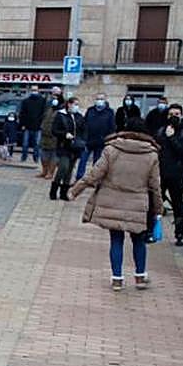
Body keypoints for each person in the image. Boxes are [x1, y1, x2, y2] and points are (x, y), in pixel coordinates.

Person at [68, 118, 164, 291]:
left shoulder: (112, 149)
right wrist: (158, 209)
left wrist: (76, 190)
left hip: (112, 200)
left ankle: (117, 279)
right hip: (138, 203)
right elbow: (155, 186)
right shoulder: (151, 155)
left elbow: (95, 174)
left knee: (116, 240)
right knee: (139, 241)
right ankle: (140, 277)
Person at [155, 104, 183, 246]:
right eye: (171, 114)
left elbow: (182, 150)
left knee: (177, 205)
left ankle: (179, 234)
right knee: (155, 202)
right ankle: (150, 231)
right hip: (160, 172)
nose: (174, 117)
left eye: (177, 114)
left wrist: (171, 138)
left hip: (177, 174)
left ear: (181, 115)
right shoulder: (161, 131)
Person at [50, 96, 86, 200]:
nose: (76, 107)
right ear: (69, 104)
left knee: (70, 170)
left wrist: (82, 140)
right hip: (64, 146)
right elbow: (54, 130)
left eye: (78, 105)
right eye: (75, 104)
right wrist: (64, 134)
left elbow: (84, 129)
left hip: (76, 146)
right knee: (63, 167)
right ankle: (53, 190)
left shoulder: (79, 116)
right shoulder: (61, 115)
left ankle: (63, 193)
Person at [78, 93, 116, 180]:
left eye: (101, 99)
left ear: (105, 100)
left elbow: (112, 128)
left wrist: (108, 140)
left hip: (101, 142)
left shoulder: (109, 112)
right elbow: (84, 124)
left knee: (97, 163)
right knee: (82, 160)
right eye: (97, 99)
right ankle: (79, 178)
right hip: (88, 141)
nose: (99, 101)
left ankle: (93, 180)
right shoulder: (90, 110)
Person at [18, 86, 47, 162]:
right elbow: (22, 114)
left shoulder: (43, 101)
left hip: (38, 126)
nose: (34, 91)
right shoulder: (25, 101)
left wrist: (42, 124)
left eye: (35, 90)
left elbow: (44, 113)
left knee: (37, 144)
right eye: (33, 90)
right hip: (27, 126)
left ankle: (36, 158)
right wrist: (22, 124)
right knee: (25, 144)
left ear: (38, 91)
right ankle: (24, 157)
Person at [38, 88, 61, 180]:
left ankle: (50, 173)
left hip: (55, 136)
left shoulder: (62, 108)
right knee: (44, 155)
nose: (54, 96)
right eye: (53, 94)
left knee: (53, 156)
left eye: (57, 95)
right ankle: (44, 171)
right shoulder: (47, 105)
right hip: (44, 134)